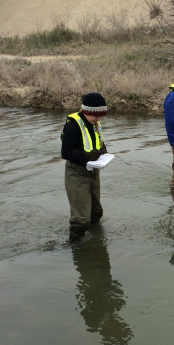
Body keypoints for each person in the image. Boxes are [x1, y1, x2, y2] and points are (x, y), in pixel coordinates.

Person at [61, 92, 108, 243]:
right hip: (76, 174)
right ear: (87, 111)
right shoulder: (73, 126)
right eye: (96, 116)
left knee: (96, 213)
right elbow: (65, 152)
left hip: (94, 172)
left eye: (101, 116)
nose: (99, 119)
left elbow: (98, 143)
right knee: (81, 219)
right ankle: (74, 247)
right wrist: (87, 157)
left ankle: (94, 241)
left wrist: (103, 151)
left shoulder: (95, 123)